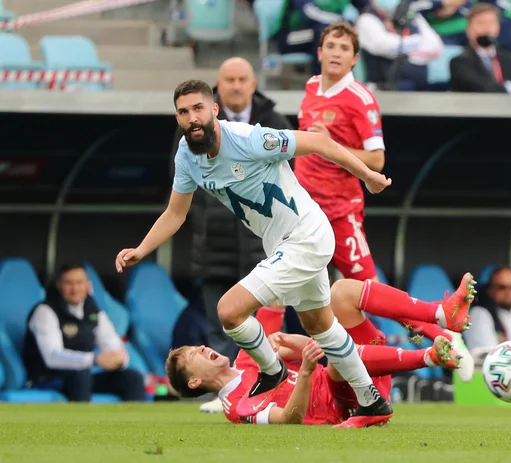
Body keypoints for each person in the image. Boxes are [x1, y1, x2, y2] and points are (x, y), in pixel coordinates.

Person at [115, 79, 404, 428]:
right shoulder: (186, 156)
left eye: (198, 108)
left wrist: (368, 176)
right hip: (282, 244)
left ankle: (272, 370)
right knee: (320, 325)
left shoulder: (249, 138)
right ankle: (372, 402)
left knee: (229, 310)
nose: (192, 118)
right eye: (183, 111)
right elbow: (176, 213)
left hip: (306, 235)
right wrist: (142, 249)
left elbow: (320, 142)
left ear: (214, 110)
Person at [165, 275, 477, 426]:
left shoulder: (251, 354)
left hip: (362, 373)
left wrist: (287, 251)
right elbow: (289, 418)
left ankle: (440, 314)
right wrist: (305, 370)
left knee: (340, 292)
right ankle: (430, 356)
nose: (203, 347)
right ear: (194, 382)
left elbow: (274, 299)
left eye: (197, 346)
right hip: (347, 405)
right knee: (335, 357)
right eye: (195, 355)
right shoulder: (236, 407)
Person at [168, 57, 294, 414]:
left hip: (263, 241)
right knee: (218, 322)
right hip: (215, 243)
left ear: (253, 84)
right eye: (229, 79)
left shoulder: (273, 123)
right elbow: (179, 186)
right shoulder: (191, 130)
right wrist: (210, 216)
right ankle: (223, 393)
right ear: (218, 89)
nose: (236, 85)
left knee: (266, 319)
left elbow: (292, 177)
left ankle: (266, 387)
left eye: (242, 79)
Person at [295, 22, 386, 283]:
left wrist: (329, 145)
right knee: (279, 289)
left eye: (344, 48)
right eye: (331, 46)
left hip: (339, 209)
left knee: (366, 288)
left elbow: (377, 160)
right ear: (320, 53)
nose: (336, 53)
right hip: (302, 208)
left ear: (354, 59)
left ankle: (430, 322)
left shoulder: (361, 99)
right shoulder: (312, 86)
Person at [23, 264, 145, 402]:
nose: (75, 289)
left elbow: (114, 345)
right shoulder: (45, 311)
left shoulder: (93, 312)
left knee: (132, 378)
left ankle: (132, 423)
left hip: (82, 377)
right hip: (47, 379)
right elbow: (52, 356)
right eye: (69, 283)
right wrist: (94, 360)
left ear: (88, 286)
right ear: (59, 285)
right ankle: (82, 424)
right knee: (81, 375)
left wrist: (119, 360)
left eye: (79, 283)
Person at [449, 3, 511, 94]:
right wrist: (510, 88)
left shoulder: (507, 58)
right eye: (481, 23)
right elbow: (482, 88)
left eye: (491, 23)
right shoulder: (459, 62)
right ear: (469, 29)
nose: (487, 28)